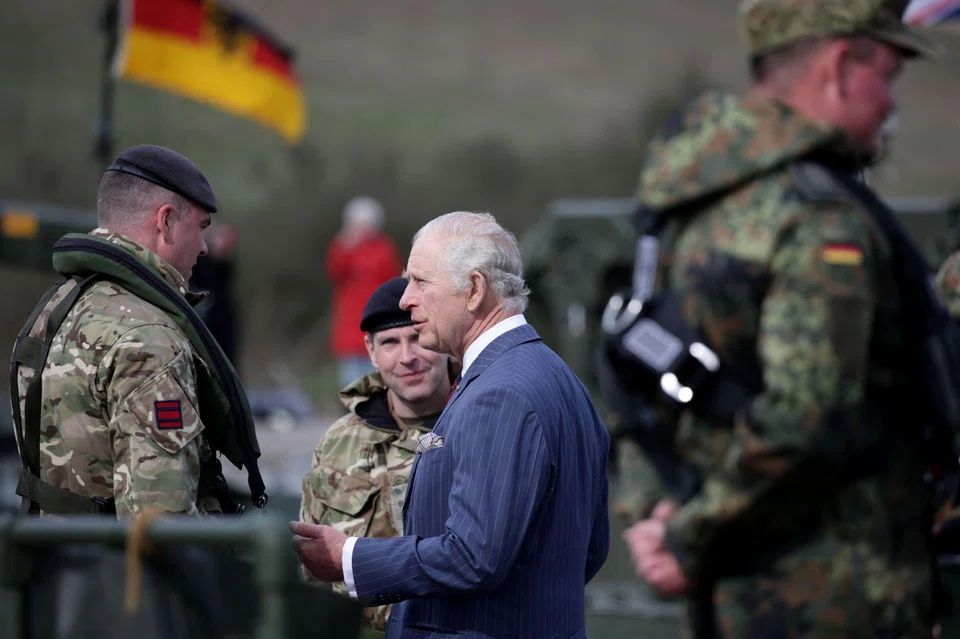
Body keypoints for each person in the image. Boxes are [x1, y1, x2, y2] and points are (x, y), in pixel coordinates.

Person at [618, 1, 945, 636]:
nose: (890, 104)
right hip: (841, 596)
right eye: (888, 75)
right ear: (841, 67)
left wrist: (656, 517)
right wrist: (689, 538)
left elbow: (636, 372)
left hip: (728, 600)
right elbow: (808, 415)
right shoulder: (823, 218)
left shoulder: (687, 200)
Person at [292, 211, 611, 639]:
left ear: (475, 289)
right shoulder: (555, 376)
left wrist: (349, 557)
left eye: (421, 282)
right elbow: (589, 550)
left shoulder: (500, 393)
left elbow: (473, 556)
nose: (406, 299)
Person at [10, 144, 263, 518]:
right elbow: (161, 523)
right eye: (202, 227)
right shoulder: (148, 338)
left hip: (54, 561)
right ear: (165, 221)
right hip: (121, 573)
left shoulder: (54, 307)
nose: (206, 247)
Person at [300, 276, 456, 635]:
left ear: (443, 338)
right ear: (370, 351)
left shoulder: (482, 424)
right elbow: (313, 565)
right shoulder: (339, 442)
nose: (407, 358)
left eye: (417, 338)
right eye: (390, 343)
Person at [326, 196, 403, 389]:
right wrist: (346, 245)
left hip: (377, 317)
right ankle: (354, 413)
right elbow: (334, 272)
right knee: (351, 376)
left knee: (378, 371)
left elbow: (393, 280)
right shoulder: (343, 247)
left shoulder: (384, 248)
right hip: (350, 322)